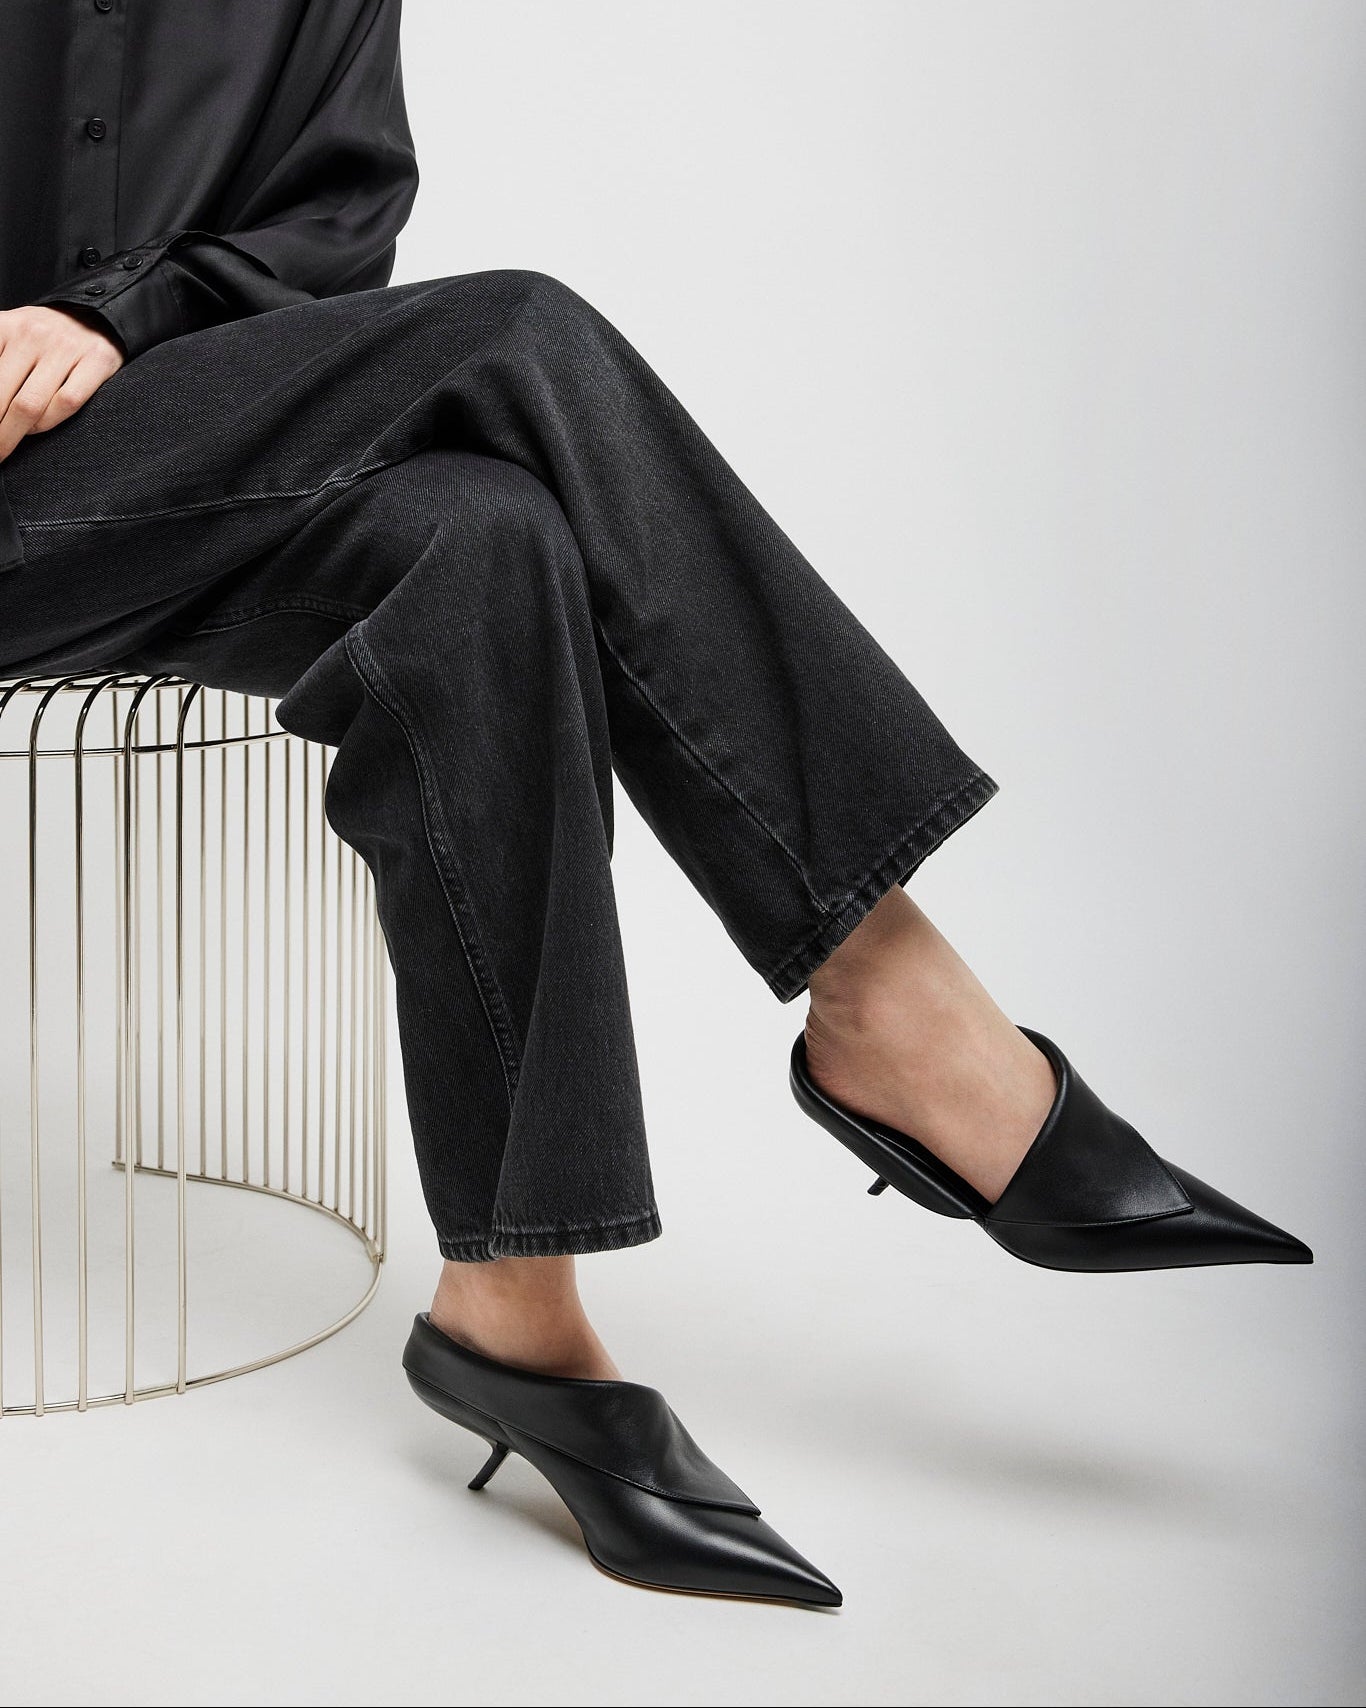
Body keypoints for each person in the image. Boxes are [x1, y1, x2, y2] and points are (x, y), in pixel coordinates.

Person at [0, 0, 1309, 1608]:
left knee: (481, 541)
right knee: (519, 330)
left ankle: (512, 1315)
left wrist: (134, 315)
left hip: (183, 484)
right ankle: (892, 1000)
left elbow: (334, 230)